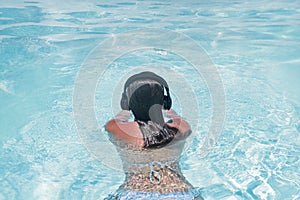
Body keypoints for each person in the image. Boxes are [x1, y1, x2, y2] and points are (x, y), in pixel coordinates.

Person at [105, 71, 203, 199]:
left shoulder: (116, 129)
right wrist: (168, 109)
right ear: (165, 102)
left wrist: (126, 108)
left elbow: (121, 116)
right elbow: (173, 115)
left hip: (135, 193)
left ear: (126, 102)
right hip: (181, 193)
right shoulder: (182, 128)